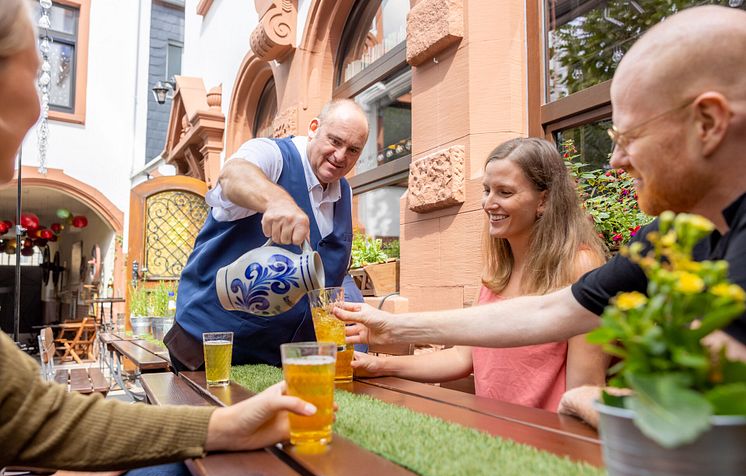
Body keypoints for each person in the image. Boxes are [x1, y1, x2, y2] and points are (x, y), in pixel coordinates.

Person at [334, 5, 746, 423]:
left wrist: (597, 402)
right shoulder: (671, 239)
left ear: (708, 123)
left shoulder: (587, 257)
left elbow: (713, 400)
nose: (617, 160)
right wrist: (392, 329)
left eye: (630, 136)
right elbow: (551, 312)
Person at [0, 0, 319, 476]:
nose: (43, 99)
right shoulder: (269, 160)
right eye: (38, 67)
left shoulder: (339, 199)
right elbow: (234, 174)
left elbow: (33, 414)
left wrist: (227, 428)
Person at [351, 138, 608, 410]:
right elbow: (463, 358)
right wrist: (379, 364)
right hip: (492, 437)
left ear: (543, 200)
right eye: (487, 190)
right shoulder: (498, 270)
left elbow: (584, 390)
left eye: (505, 193)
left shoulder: (579, 265)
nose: (488, 203)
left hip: (547, 444)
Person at [165, 99, 369, 371]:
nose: (341, 156)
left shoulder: (344, 193)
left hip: (276, 362)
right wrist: (276, 201)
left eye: (353, 150)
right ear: (314, 128)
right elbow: (233, 174)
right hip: (206, 349)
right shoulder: (272, 154)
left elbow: (336, 274)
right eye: (335, 141)